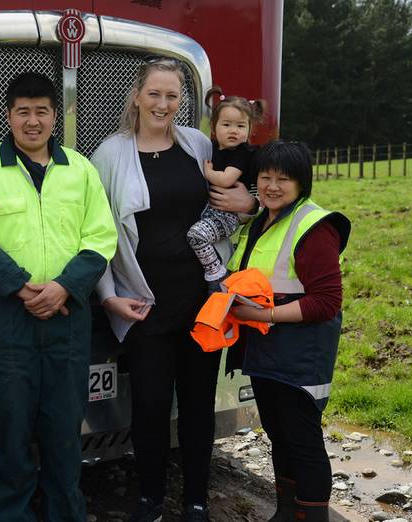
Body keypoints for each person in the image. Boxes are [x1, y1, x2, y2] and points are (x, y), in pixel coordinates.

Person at [91, 58, 259, 522]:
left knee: (199, 406)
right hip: (144, 304)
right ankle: (149, 499)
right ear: (137, 97)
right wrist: (108, 295)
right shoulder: (109, 154)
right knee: (148, 407)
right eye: (155, 94)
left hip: (204, 304)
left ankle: (197, 500)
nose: (163, 104)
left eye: (172, 96)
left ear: (181, 101)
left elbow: (236, 198)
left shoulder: (198, 143)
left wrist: (250, 204)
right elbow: (96, 233)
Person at [0, 71, 117, 522]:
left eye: (41, 111)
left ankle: (66, 512)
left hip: (67, 313)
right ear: (9, 116)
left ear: (54, 117)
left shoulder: (80, 170)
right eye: (22, 112)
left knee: (64, 425)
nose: (32, 121)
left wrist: (63, 287)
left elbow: (100, 238)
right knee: (8, 424)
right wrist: (26, 290)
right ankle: (11, 514)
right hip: (5, 315)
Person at [228, 140, 351, 522]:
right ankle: (286, 512)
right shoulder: (262, 221)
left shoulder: (314, 227)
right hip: (266, 351)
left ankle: (313, 517)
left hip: (299, 353)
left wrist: (264, 317)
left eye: (284, 179)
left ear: (302, 183)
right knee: (278, 436)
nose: (272, 186)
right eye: (265, 177)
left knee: (303, 441)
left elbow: (326, 302)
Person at [186, 86, 265, 292]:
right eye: (227, 124)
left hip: (228, 215)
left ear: (249, 129)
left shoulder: (242, 153)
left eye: (240, 125)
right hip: (211, 212)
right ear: (214, 127)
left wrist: (208, 173)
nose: (233, 130)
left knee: (196, 235)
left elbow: (226, 179)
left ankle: (217, 273)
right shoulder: (212, 147)